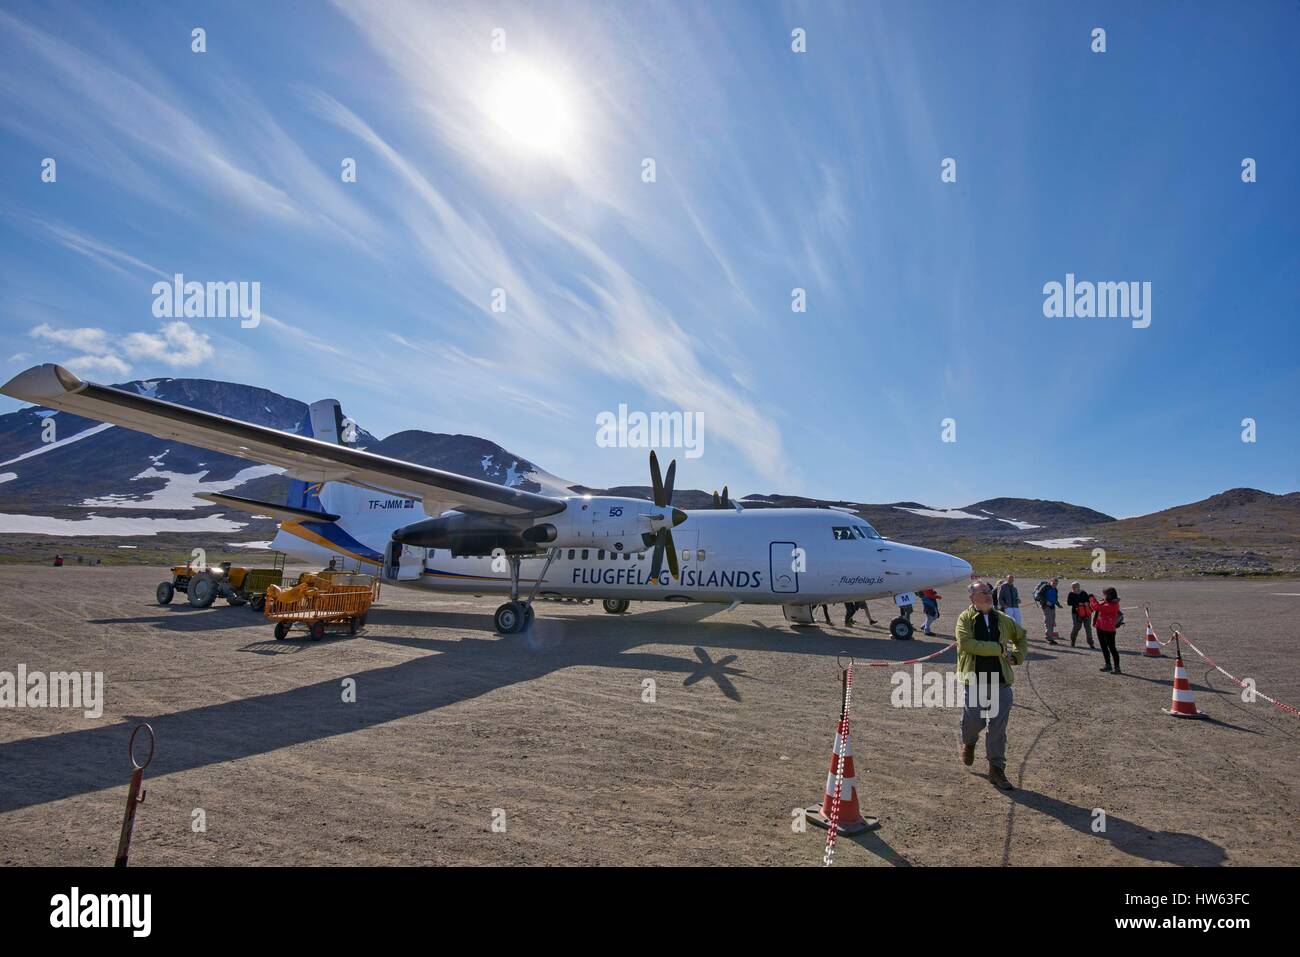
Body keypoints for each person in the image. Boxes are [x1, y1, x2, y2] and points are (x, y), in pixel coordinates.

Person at [955, 581, 1027, 791]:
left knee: (998, 728)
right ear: (972, 598)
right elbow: (967, 644)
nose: (988, 595)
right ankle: (969, 743)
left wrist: (1017, 656)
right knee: (973, 723)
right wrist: (998, 648)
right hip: (975, 681)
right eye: (983, 592)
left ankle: (997, 769)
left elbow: (1021, 638)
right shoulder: (965, 619)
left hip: (1001, 682)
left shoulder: (1004, 619)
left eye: (989, 592)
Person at [1089, 587, 1123, 674]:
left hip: (1109, 629)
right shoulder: (1107, 602)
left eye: (1105, 594)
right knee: (1104, 647)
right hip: (1100, 627)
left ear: (1109, 595)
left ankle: (1117, 667)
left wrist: (1092, 598)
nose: (1103, 596)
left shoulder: (1113, 605)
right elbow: (1099, 605)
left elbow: (1096, 607)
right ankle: (1108, 665)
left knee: (1112, 648)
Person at [1066, 581, 1094, 648]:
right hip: (1076, 613)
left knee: (1088, 628)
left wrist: (1086, 603)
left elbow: (1088, 601)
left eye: (1075, 586)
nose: (1073, 588)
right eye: (1072, 587)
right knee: (1076, 627)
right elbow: (1069, 603)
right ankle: (1073, 641)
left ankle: (1091, 643)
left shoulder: (1083, 593)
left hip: (1086, 613)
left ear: (1078, 587)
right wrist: (1078, 603)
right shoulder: (1071, 594)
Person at [1038, 577, 1062, 644]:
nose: (1055, 585)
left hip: (1052, 606)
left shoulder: (1055, 589)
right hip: (1046, 607)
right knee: (1048, 622)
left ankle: (1050, 637)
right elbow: (1039, 595)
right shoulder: (1045, 587)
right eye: (1054, 583)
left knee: (1052, 622)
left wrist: (1058, 605)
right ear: (1050, 581)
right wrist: (1046, 602)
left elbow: (1055, 598)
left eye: (1056, 584)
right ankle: (1048, 638)